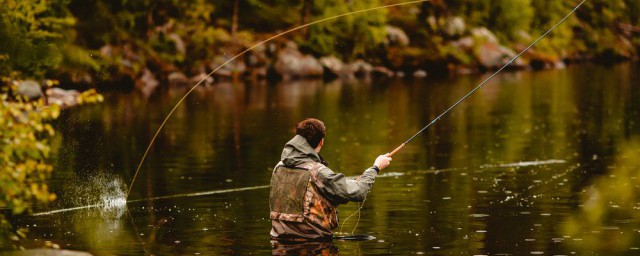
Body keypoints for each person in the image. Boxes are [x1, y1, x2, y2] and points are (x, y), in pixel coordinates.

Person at [269, 118, 392, 241]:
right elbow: (358, 192)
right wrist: (375, 168)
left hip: (278, 242)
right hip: (314, 243)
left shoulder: (279, 167)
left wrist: (355, 180)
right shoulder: (318, 172)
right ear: (321, 142)